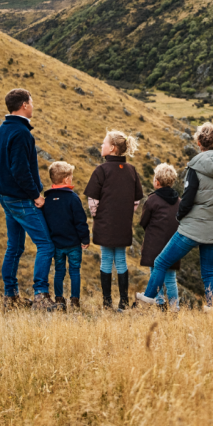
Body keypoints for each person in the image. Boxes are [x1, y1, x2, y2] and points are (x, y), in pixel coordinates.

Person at [136, 122, 213, 313]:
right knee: (209, 272)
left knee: (160, 262)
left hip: (192, 227)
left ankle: (149, 297)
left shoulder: (196, 166)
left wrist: (180, 217)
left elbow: (187, 201)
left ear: (199, 142)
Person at [0, 88, 55, 311]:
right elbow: (20, 170)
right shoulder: (21, 133)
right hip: (21, 199)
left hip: (6, 197)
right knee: (46, 245)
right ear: (25, 105)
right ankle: (40, 296)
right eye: (32, 101)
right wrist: (35, 195)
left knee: (14, 247)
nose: (33, 105)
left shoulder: (1, 131)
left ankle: (11, 297)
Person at [84, 129, 143, 310]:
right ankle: (123, 302)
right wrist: (125, 214)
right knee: (122, 260)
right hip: (123, 224)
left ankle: (107, 302)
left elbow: (92, 200)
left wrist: (98, 216)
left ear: (113, 148)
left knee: (106, 259)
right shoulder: (131, 170)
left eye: (104, 143)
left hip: (105, 224)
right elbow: (136, 200)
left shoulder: (101, 170)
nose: (101, 145)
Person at [41, 161, 90, 311]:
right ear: (66, 179)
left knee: (59, 271)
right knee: (74, 270)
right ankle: (74, 300)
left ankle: (59, 299)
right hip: (74, 243)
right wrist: (85, 238)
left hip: (56, 243)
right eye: (71, 176)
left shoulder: (47, 199)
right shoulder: (73, 198)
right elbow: (80, 221)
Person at [139, 163, 182, 311]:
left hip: (154, 245)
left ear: (157, 182)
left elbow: (143, 222)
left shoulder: (152, 200)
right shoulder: (179, 202)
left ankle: (158, 302)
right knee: (171, 278)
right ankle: (174, 307)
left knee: (155, 273)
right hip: (174, 245)